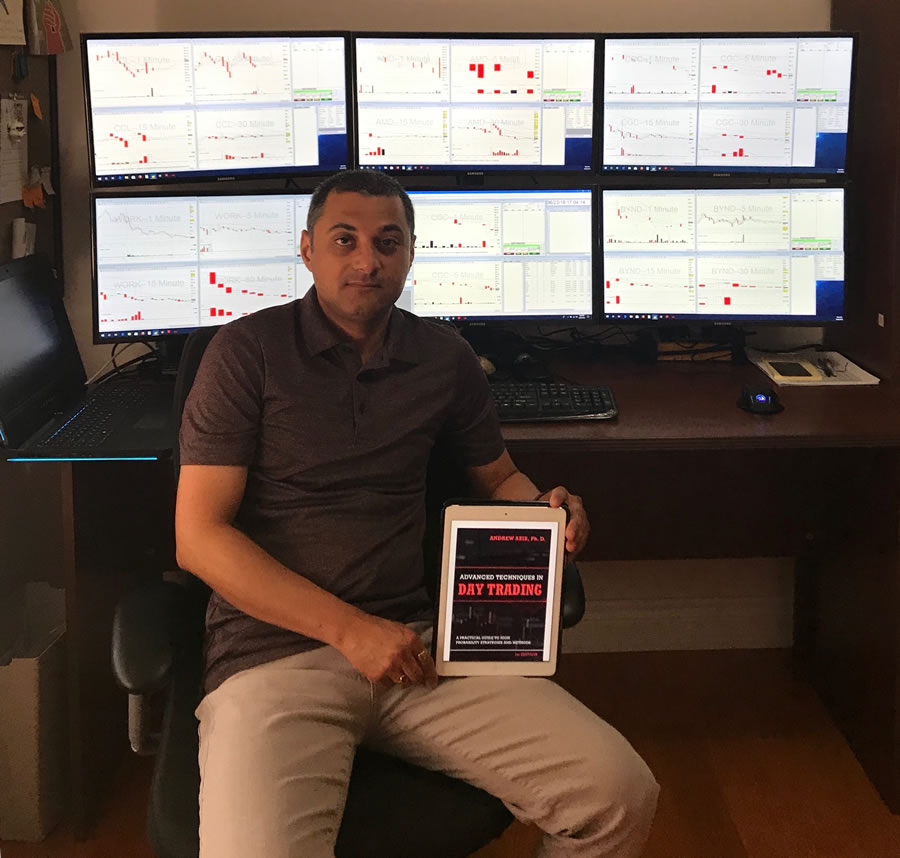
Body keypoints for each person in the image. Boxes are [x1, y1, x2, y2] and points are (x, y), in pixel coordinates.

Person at [175, 169, 659, 858]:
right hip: (276, 659)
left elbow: (500, 478)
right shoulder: (245, 353)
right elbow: (198, 537)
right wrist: (351, 632)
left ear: (410, 253)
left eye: (387, 242)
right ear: (308, 250)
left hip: (420, 651)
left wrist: (546, 510)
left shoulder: (443, 356)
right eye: (344, 240)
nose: (367, 260)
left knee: (617, 794)